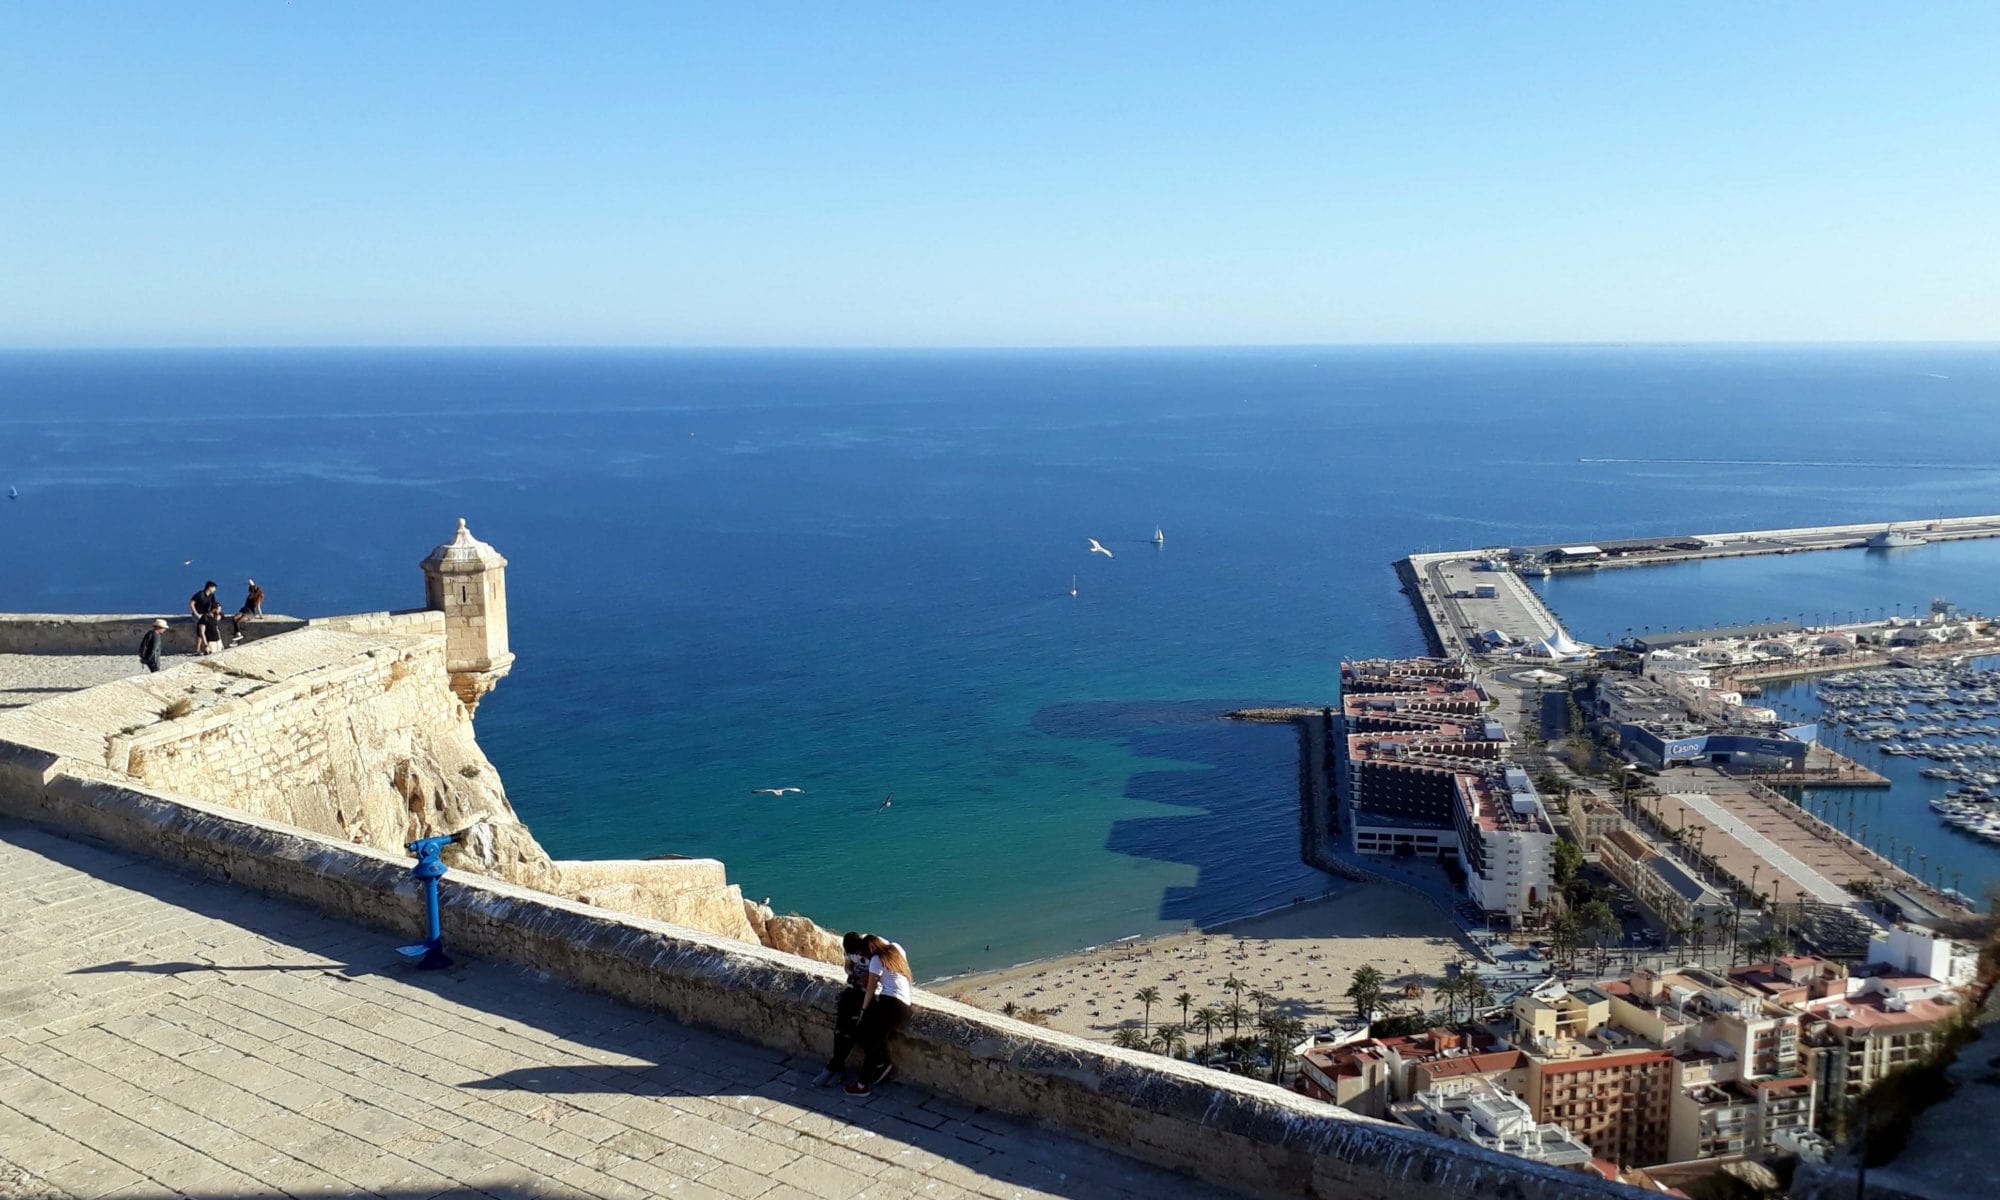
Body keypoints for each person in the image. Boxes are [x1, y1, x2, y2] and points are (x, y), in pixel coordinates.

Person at [846, 934, 913, 1095]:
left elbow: (871, 987)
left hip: (890, 1003)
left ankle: (863, 1085)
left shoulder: (876, 959)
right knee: (870, 1034)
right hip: (904, 1005)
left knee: (870, 1040)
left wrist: (863, 1010)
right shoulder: (896, 949)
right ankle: (880, 1063)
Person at [812, 932, 872, 1087]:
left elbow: (875, 977)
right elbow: (848, 966)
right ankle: (836, 1066)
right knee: (839, 1029)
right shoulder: (850, 950)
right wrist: (852, 974)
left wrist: (864, 979)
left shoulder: (871, 950)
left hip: (867, 993)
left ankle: (833, 1067)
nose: (855, 955)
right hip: (853, 988)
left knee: (850, 1029)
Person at [230, 579, 264, 645]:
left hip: (250, 613)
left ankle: (238, 635)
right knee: (234, 618)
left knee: (238, 621)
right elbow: (252, 585)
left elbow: (258, 607)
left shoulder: (256, 598)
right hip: (243, 610)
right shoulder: (249, 596)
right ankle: (238, 634)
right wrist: (250, 582)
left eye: (250, 591)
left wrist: (261, 616)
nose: (249, 592)